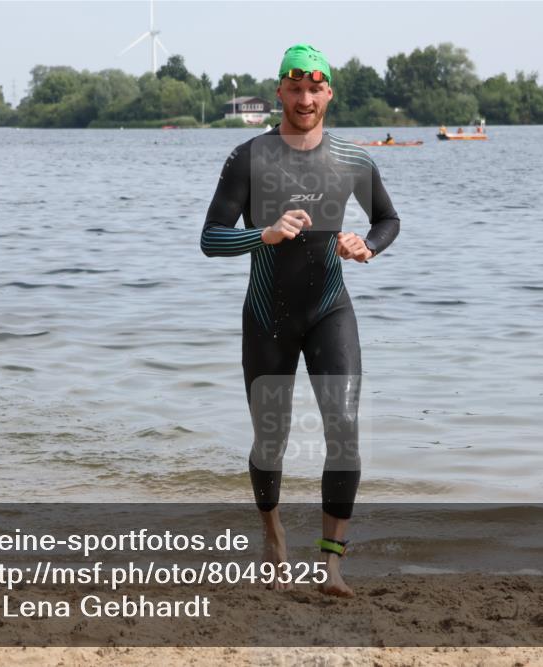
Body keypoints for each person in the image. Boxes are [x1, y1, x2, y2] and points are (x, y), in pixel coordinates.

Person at [201, 44, 400, 598]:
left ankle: (331, 564)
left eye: (315, 89)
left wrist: (367, 246)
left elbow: (388, 219)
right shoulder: (249, 158)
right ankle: (273, 535)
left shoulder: (353, 160)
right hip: (268, 316)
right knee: (271, 440)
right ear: (280, 92)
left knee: (345, 431)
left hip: (330, 309)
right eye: (295, 89)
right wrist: (261, 234)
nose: (305, 99)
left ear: (329, 93)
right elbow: (211, 238)